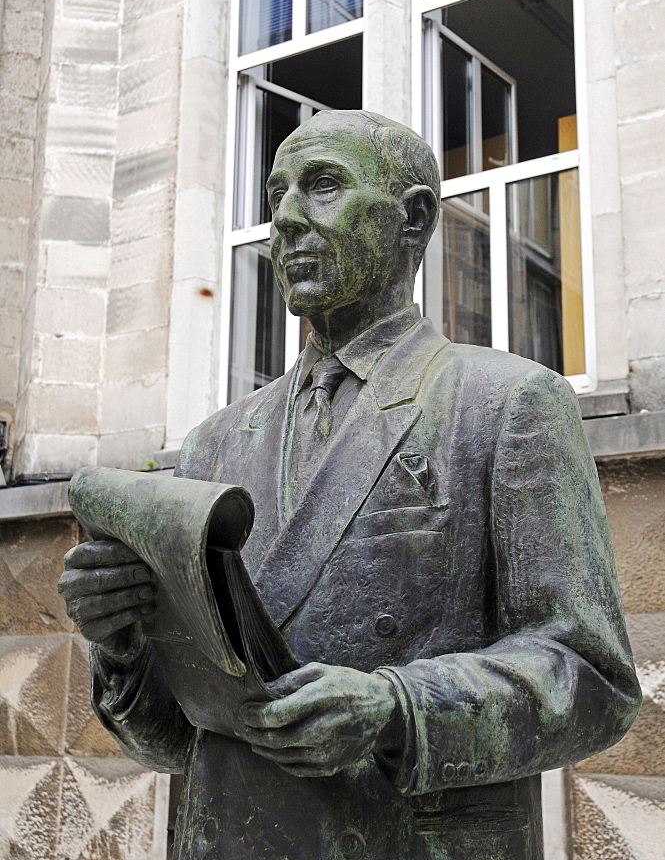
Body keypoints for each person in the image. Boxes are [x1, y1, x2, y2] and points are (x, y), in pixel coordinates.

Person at [59, 111, 640, 860]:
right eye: (276, 195)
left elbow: (592, 681)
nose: (287, 219)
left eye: (323, 186)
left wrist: (395, 707)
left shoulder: (506, 403)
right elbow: (175, 743)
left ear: (413, 218)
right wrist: (122, 645)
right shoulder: (212, 444)